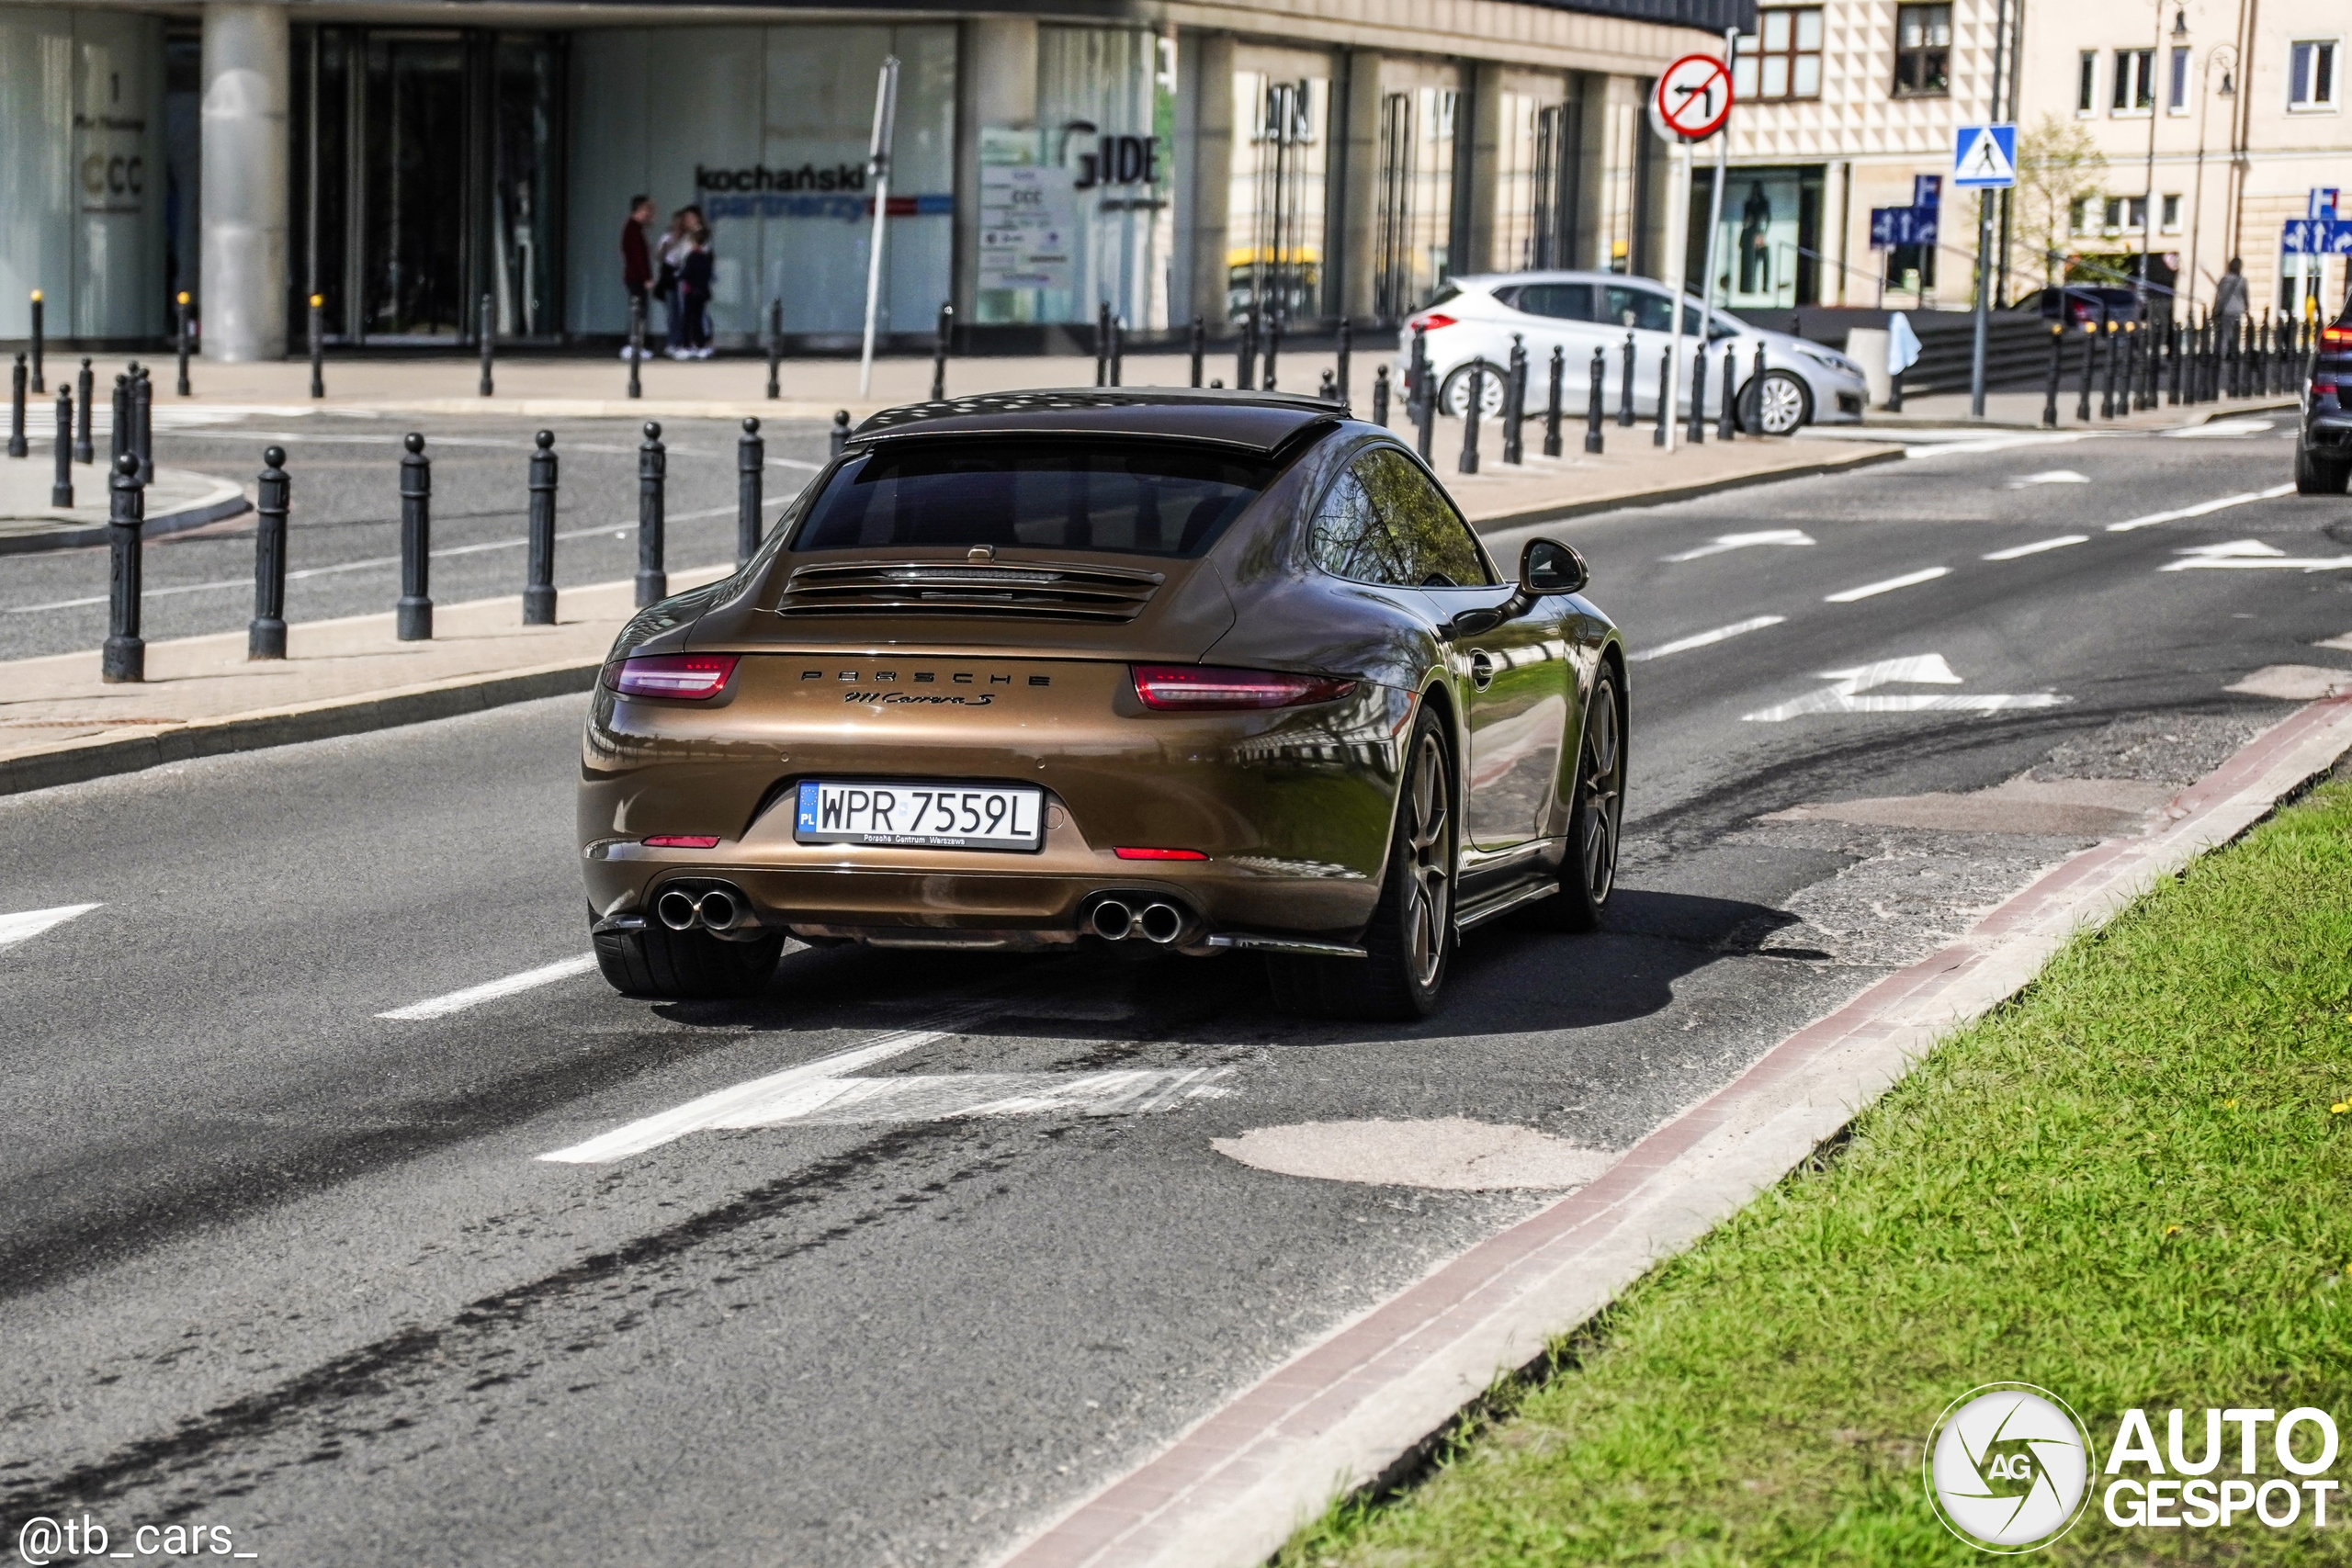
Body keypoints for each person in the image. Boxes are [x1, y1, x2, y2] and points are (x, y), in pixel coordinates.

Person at [617, 196, 652, 360]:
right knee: (638, 311)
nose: (650, 213)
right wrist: (646, 277)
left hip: (635, 276)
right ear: (639, 209)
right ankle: (634, 345)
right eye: (647, 209)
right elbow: (637, 256)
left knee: (639, 311)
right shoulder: (633, 229)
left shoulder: (634, 228)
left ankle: (637, 345)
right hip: (636, 277)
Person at [676, 213, 715, 359]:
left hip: (690, 291)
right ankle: (700, 344)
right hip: (702, 292)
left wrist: (678, 276)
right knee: (698, 319)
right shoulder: (707, 257)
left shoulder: (692, 256)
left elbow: (685, 273)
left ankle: (686, 345)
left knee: (687, 319)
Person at [656, 209, 693, 355]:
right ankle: (673, 341)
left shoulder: (688, 238)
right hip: (669, 276)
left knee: (683, 310)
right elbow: (658, 256)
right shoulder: (667, 237)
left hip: (682, 275)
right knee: (672, 311)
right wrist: (669, 244)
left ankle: (682, 341)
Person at [2212, 256, 2249, 328]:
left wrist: (2215, 309)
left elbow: (2219, 296)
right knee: (2235, 331)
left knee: (2226, 333)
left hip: (2226, 309)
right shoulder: (2242, 281)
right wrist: (2247, 310)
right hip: (2238, 310)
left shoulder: (2224, 280)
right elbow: (2245, 296)